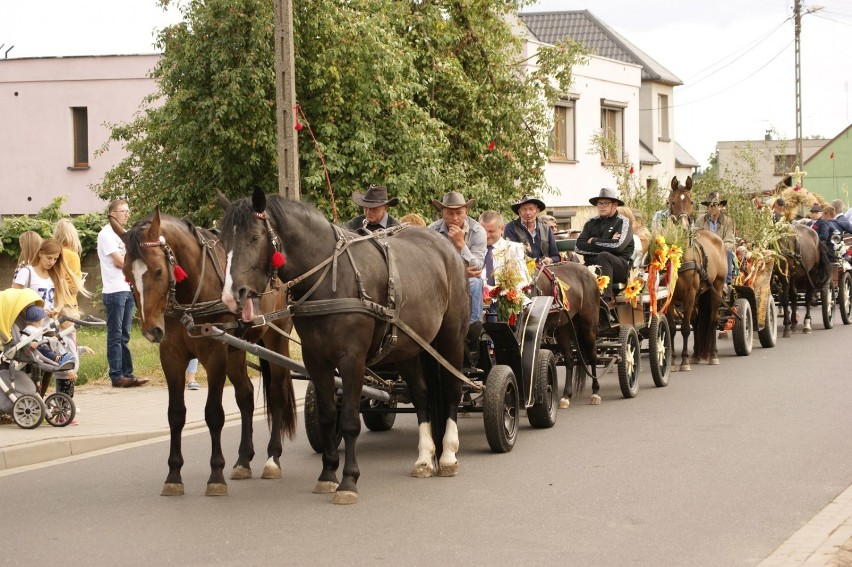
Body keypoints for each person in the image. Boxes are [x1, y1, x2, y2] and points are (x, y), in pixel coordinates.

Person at [428, 191, 486, 362]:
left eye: (459, 213)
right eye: (450, 213)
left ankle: (471, 329)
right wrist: (459, 271)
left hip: (467, 280)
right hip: (440, 278)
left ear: (466, 212)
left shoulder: (477, 231)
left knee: (475, 283)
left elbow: (477, 267)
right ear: (442, 213)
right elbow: (428, 262)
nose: (454, 217)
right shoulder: (432, 230)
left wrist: (461, 245)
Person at [97, 200, 147, 388]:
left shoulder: (125, 235)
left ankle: (128, 374)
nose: (127, 214)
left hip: (127, 288)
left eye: (128, 210)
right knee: (115, 335)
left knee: (125, 334)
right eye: (123, 211)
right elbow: (121, 262)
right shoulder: (106, 234)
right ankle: (116, 376)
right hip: (114, 290)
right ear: (112, 214)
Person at [575, 188, 634, 305]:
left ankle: (606, 299)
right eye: (600, 203)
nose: (602, 206)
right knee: (574, 269)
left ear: (615, 205)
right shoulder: (591, 222)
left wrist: (593, 241)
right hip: (593, 266)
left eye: (606, 203)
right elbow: (579, 247)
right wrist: (608, 242)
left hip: (619, 267)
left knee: (604, 256)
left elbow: (618, 246)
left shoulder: (624, 222)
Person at [503, 195, 560, 265]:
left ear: (537, 211)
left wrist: (550, 260)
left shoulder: (546, 228)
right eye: (524, 209)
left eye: (531, 209)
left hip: (545, 269)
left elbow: (556, 256)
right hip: (522, 270)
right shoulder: (511, 227)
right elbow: (510, 256)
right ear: (519, 212)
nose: (527, 213)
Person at [694, 192, 736, 285]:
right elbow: (695, 238)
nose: (713, 208)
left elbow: (730, 241)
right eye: (710, 206)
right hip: (705, 251)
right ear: (707, 207)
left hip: (721, 251)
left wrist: (718, 249)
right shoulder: (700, 221)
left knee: (728, 252)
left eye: (715, 205)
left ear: (720, 206)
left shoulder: (728, 221)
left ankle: (727, 283)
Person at [22, 305, 77, 375]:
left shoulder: (37, 329)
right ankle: (58, 359)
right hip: (32, 350)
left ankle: (60, 358)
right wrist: (30, 344)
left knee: (48, 349)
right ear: (38, 320)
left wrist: (50, 339)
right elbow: (23, 338)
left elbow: (41, 339)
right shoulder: (28, 329)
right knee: (45, 350)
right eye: (43, 318)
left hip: (38, 348)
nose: (44, 320)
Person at [52, 218, 86, 309]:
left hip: (51, 303)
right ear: (73, 236)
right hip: (67, 304)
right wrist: (80, 284)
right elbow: (73, 287)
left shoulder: (51, 254)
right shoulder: (72, 256)